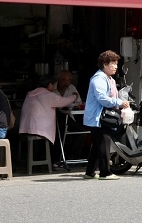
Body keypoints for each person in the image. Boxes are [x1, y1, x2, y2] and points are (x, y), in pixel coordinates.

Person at [83, 50, 128, 180]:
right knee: (104, 142)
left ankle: (90, 172)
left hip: (103, 117)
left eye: (116, 64)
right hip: (97, 118)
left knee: (98, 144)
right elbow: (102, 98)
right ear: (104, 64)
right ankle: (105, 173)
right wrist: (120, 103)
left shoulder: (110, 79)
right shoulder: (99, 79)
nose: (115, 66)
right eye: (113, 63)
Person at [19, 75, 78, 152]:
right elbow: (64, 102)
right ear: (49, 85)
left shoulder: (30, 94)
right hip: (38, 131)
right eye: (54, 85)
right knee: (59, 130)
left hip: (25, 129)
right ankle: (55, 158)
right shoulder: (48, 95)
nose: (54, 87)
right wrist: (74, 96)